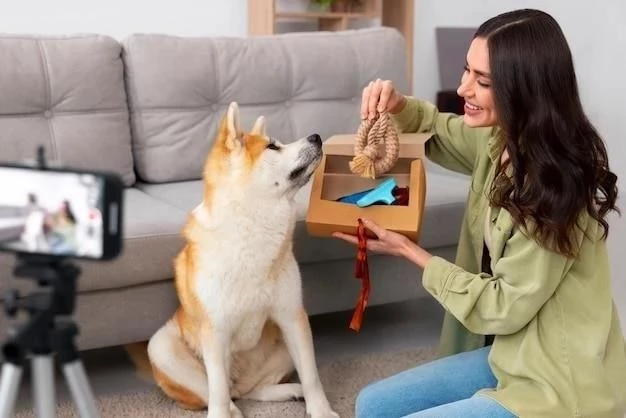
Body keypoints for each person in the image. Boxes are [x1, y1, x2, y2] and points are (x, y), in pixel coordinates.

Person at [334, 8, 626, 418]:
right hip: (511, 355)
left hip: (558, 384)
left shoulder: (556, 188)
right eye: (466, 71)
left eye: (482, 81)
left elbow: (501, 307)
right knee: (373, 405)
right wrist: (398, 104)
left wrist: (411, 252)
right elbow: (437, 129)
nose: (462, 88)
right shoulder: (499, 140)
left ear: (525, 90)